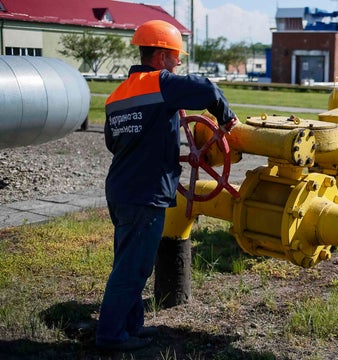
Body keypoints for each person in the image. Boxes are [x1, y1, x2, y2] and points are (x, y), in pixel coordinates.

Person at [96, 19, 238, 351]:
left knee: (128, 261)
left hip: (121, 188)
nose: (177, 64)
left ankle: (130, 326)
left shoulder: (117, 95)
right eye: (175, 58)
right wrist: (227, 118)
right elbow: (207, 90)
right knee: (133, 269)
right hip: (145, 193)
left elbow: (112, 143)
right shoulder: (161, 84)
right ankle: (110, 337)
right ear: (160, 56)